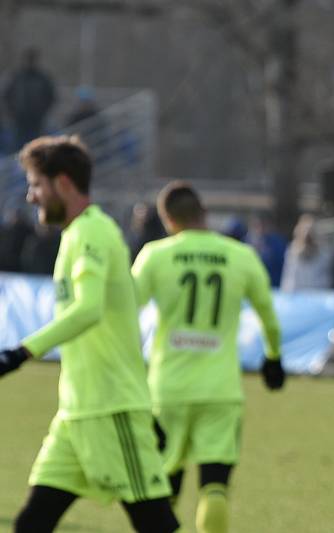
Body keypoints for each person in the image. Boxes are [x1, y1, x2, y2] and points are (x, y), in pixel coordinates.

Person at [0, 135, 179, 532]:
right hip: (76, 412)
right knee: (30, 523)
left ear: (63, 182)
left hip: (109, 409)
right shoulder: (75, 234)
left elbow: (89, 309)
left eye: (36, 185)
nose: (31, 197)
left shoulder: (93, 232)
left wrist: (20, 353)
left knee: (155, 524)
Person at [131, 180, 284, 533]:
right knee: (214, 486)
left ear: (167, 220)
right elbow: (269, 317)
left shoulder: (155, 254)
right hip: (220, 390)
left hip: (167, 388)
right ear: (205, 214)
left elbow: (126, 314)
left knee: (164, 487)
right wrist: (273, 358)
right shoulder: (240, 255)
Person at [3, 48, 56, 150]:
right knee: (18, 148)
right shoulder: (16, 76)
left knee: (36, 148)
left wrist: (42, 111)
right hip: (19, 120)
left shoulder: (43, 78)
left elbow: (51, 97)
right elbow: (6, 95)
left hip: (37, 121)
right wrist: (12, 112)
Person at [279, 213, 333, 291]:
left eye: (311, 232)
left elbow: (326, 281)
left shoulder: (324, 253)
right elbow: (288, 279)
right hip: (296, 297)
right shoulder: (292, 251)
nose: (308, 235)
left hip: (318, 297)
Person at [247, 212, 287, 287]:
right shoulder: (247, 242)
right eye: (256, 225)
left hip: (273, 286)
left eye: (263, 225)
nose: (260, 228)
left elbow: (281, 265)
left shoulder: (277, 242)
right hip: (253, 286)